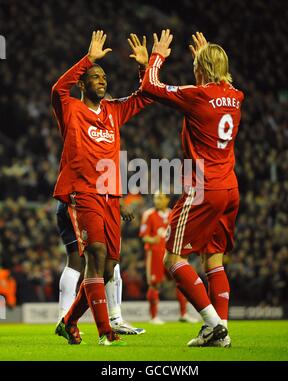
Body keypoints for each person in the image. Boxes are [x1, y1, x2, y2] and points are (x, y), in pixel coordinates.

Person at [141, 30, 244, 347]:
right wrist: (206, 58)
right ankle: (221, 331)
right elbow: (216, 89)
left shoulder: (198, 96)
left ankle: (213, 324)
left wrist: (156, 58)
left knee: (172, 260)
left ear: (201, 70)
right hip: (230, 187)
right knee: (214, 259)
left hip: (204, 187)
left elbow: (150, 86)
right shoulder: (236, 96)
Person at [52, 30, 152, 346]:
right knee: (94, 256)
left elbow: (146, 96)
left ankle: (68, 321)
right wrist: (88, 60)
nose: (102, 81)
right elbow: (57, 89)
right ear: (83, 83)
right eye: (95, 77)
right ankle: (106, 332)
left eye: (104, 77)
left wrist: (146, 67)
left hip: (111, 196)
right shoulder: (70, 109)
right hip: (83, 193)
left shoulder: (113, 111)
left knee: (108, 269)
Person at [56, 199, 145, 335]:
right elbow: (105, 183)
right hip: (91, 205)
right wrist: (120, 205)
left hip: (69, 202)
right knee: (107, 261)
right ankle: (114, 319)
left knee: (75, 262)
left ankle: (64, 317)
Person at [140, 191, 197, 324]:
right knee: (154, 284)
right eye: (155, 198)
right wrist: (154, 239)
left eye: (160, 198)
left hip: (170, 254)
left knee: (181, 282)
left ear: (167, 200)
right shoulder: (149, 215)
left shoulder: (173, 214)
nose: (157, 201)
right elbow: (144, 236)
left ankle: (184, 314)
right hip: (154, 254)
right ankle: (153, 317)